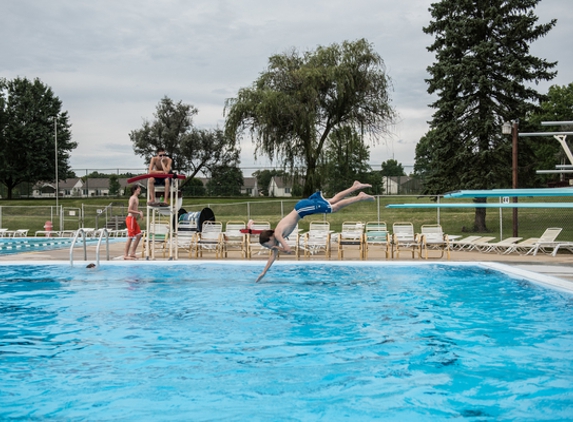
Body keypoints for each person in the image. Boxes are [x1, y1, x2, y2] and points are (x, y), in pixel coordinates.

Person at [256, 181, 374, 282]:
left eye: (268, 245)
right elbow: (273, 257)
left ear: (270, 238)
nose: (270, 248)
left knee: (334, 208)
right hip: (302, 208)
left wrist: (277, 248)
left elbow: (288, 250)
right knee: (332, 201)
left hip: (302, 209)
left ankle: (360, 197)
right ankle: (355, 187)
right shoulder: (276, 237)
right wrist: (263, 272)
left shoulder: (277, 234)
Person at [124, 184, 144, 260]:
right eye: (139, 189)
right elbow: (129, 210)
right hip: (131, 218)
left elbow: (134, 209)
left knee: (139, 235)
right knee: (130, 237)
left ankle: (132, 253)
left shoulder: (136, 198)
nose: (140, 190)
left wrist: (139, 212)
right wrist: (139, 213)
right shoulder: (132, 198)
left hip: (134, 219)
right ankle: (125, 255)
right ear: (135, 190)